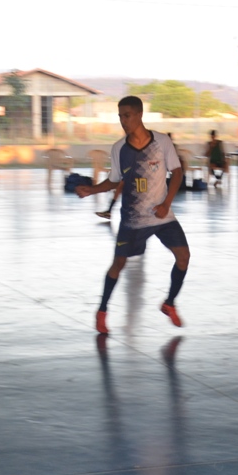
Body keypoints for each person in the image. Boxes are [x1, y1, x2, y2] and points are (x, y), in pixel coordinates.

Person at [75, 96, 189, 335]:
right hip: (133, 220)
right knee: (119, 264)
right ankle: (102, 311)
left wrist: (167, 203)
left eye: (126, 116)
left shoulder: (162, 141)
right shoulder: (119, 149)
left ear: (139, 115)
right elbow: (114, 181)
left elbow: (177, 173)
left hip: (162, 215)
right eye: (120, 117)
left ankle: (169, 303)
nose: (123, 121)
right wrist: (92, 189)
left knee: (184, 257)